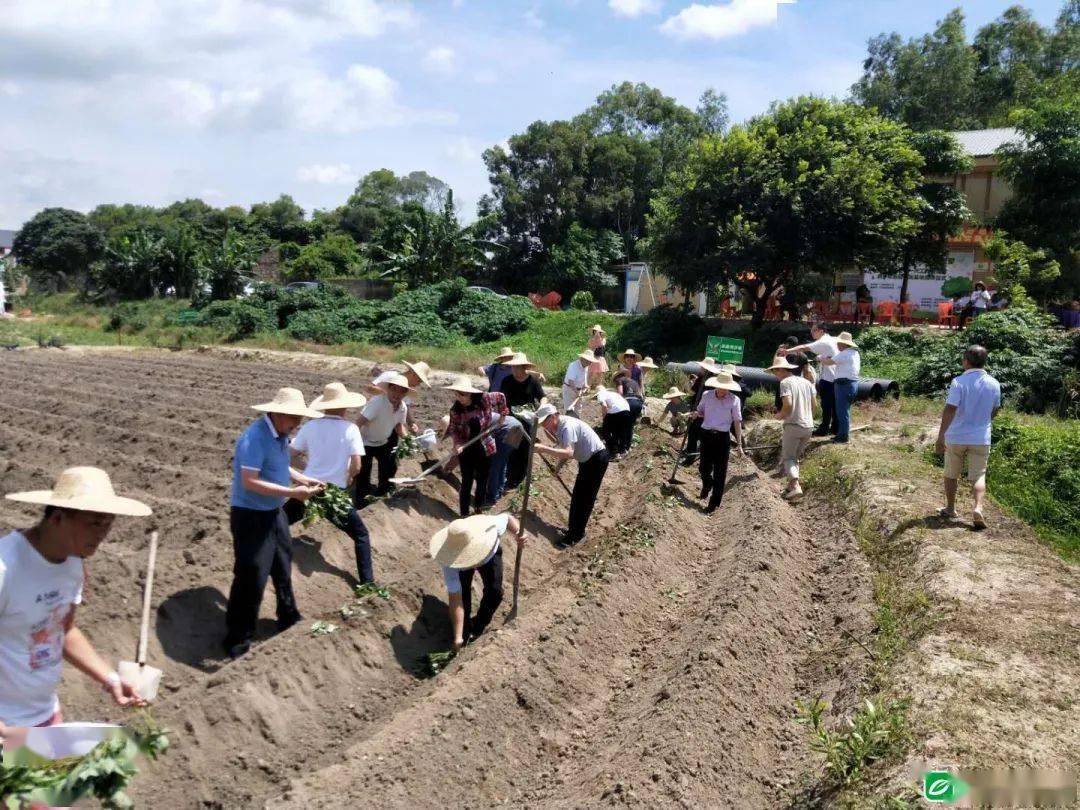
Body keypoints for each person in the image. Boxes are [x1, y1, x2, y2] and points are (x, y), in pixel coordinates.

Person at [1, 467, 151, 731]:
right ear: (57, 518)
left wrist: (110, 678)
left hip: (44, 716)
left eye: (108, 523)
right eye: (94, 523)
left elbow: (63, 628)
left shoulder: (73, 565)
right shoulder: (6, 567)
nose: (102, 534)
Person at [225, 387, 324, 659]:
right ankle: (238, 639)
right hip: (250, 515)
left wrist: (302, 479)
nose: (298, 424)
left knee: (282, 564)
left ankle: (288, 617)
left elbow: (280, 465)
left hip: (274, 512)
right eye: (295, 418)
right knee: (252, 575)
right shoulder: (254, 439)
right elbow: (250, 481)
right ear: (279, 413)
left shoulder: (280, 434)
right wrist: (294, 493)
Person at [285, 382, 375, 586]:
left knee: (278, 522)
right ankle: (368, 584)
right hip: (334, 493)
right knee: (360, 534)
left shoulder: (310, 426)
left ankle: (256, 553)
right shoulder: (351, 429)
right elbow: (357, 465)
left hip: (308, 489)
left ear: (324, 405)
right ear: (345, 407)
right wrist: (350, 478)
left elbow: (289, 456)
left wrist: (307, 466)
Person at [430, 512, 525, 650]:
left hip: (489, 556)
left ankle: (479, 626)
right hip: (460, 568)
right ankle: (465, 632)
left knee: (495, 592)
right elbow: (456, 600)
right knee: (464, 599)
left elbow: (507, 517)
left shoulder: (490, 528)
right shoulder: (450, 562)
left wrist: (518, 532)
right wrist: (458, 637)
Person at [935, 345, 1001, 530]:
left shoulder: (959, 382)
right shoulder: (994, 383)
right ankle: (978, 507)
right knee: (979, 475)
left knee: (951, 473)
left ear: (966, 361)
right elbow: (995, 410)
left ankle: (950, 508)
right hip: (981, 437)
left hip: (956, 436)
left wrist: (941, 436)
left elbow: (950, 409)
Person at [533, 404, 610, 548]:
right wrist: (558, 468)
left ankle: (575, 536)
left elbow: (568, 453)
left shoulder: (567, 426)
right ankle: (575, 530)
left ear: (555, 415)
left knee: (584, 499)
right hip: (587, 460)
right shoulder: (559, 426)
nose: (544, 425)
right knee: (578, 498)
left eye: (546, 421)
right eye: (542, 423)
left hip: (596, 459)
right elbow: (566, 450)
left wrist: (544, 449)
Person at [443, 377, 508, 517]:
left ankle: (478, 508)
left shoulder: (484, 399)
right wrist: (457, 443)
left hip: (485, 445)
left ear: (470, 393)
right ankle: (464, 513)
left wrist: (503, 414)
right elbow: (453, 429)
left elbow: (501, 397)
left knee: (482, 480)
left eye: (462, 394)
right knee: (466, 482)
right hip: (467, 448)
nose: (459, 397)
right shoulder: (456, 410)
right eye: (457, 394)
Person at [355, 374, 412, 504]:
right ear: (388, 389)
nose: (397, 394)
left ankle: (382, 495)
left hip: (383, 442)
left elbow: (399, 426)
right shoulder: (377, 402)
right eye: (394, 389)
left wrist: (408, 439)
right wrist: (353, 445)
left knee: (389, 467)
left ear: (404, 394)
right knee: (363, 473)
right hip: (366, 442)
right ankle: (361, 501)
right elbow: (359, 422)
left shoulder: (402, 407)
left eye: (401, 391)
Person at [694, 372, 744, 514]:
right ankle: (707, 483)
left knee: (720, 472)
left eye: (725, 387)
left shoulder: (734, 400)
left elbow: (737, 421)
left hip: (722, 437)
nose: (722, 390)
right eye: (720, 387)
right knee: (704, 467)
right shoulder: (707, 395)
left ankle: (714, 502)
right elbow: (701, 411)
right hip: (706, 434)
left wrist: (739, 444)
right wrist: (696, 414)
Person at [769, 356, 816, 502]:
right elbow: (814, 406)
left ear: (781, 370)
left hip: (793, 425)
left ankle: (796, 486)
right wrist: (809, 418)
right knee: (794, 458)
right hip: (808, 426)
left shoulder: (785, 382)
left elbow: (787, 404)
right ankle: (790, 488)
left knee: (788, 458)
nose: (775, 375)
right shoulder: (807, 383)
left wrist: (780, 416)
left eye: (775, 372)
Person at [498, 352, 547, 494]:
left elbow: (542, 397)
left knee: (524, 450)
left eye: (517, 367)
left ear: (524, 368)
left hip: (527, 421)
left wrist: (542, 406)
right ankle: (510, 478)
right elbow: (501, 400)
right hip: (512, 421)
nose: (514, 370)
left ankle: (520, 479)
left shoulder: (533, 381)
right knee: (512, 449)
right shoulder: (507, 381)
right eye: (512, 367)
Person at [790, 322, 839, 437]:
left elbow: (804, 347)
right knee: (834, 405)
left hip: (828, 378)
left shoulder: (823, 341)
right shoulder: (832, 339)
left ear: (821, 331)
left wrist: (787, 351)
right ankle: (835, 427)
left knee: (826, 405)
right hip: (835, 377)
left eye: (814, 330)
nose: (811, 332)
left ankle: (824, 429)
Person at [819, 332, 860, 444]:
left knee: (842, 412)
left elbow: (828, 362)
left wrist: (820, 358)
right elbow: (837, 359)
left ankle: (843, 437)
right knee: (844, 411)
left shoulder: (844, 354)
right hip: (851, 384)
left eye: (838, 343)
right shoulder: (854, 353)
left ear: (843, 344)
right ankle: (841, 433)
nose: (837, 345)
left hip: (844, 384)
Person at [683, 357, 723, 464]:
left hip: (699, 409)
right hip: (709, 410)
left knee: (693, 432)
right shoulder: (714, 380)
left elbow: (691, 392)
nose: (700, 368)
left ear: (705, 368)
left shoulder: (702, 379)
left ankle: (690, 456)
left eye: (702, 366)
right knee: (701, 432)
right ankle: (696, 452)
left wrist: (690, 383)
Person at [595, 384, 632, 458]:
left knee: (605, 431)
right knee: (620, 431)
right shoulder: (614, 394)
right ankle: (622, 451)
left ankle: (613, 452)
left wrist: (604, 418)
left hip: (616, 411)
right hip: (626, 410)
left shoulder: (601, 394)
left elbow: (604, 406)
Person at [562, 350, 594, 417]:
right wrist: (577, 392)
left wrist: (585, 386)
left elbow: (584, 378)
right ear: (582, 359)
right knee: (569, 410)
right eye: (589, 361)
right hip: (569, 389)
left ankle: (576, 424)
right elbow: (571, 381)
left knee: (578, 410)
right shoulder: (573, 366)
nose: (590, 363)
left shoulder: (586, 366)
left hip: (579, 391)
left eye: (591, 361)